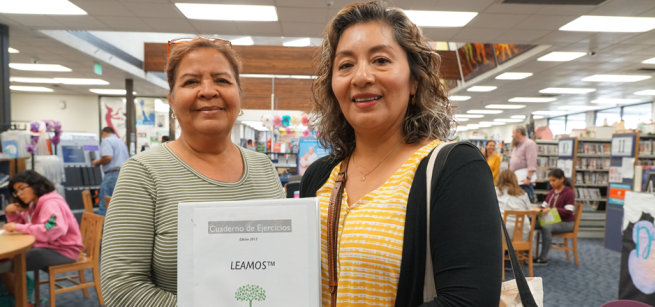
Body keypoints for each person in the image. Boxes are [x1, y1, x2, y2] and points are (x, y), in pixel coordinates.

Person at [300, 2, 501, 306]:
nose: (361, 77)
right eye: (345, 65)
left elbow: (470, 300)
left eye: (381, 60)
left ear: (414, 80)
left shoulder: (455, 169)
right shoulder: (319, 176)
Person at [100, 37, 285, 307]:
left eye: (222, 80)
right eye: (191, 82)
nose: (208, 91)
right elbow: (122, 289)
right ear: (172, 100)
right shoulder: (142, 173)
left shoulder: (264, 167)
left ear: (239, 95)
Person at [0, 171, 83, 299]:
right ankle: (19, 298)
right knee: (7, 260)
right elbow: (21, 226)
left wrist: (17, 226)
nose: (19, 194)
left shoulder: (50, 203)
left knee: (5, 265)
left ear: (35, 185)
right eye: (16, 191)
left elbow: (52, 228)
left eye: (22, 189)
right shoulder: (35, 204)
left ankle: (22, 302)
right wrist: (11, 213)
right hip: (48, 246)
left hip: (62, 250)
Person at [534, 169, 576, 266]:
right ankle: (525, 253)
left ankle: (543, 258)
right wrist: (540, 210)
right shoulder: (552, 191)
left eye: (554, 180)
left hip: (566, 223)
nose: (551, 183)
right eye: (550, 180)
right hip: (552, 220)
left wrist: (552, 209)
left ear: (561, 179)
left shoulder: (569, 192)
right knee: (530, 223)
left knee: (546, 228)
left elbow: (568, 212)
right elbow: (544, 205)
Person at [92, 127, 129, 216]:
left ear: (104, 133)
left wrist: (97, 162)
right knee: (119, 206)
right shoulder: (121, 143)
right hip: (124, 175)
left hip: (112, 175)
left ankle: (104, 229)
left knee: (105, 206)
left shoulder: (107, 141)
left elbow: (107, 157)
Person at [496, 169, 532, 242]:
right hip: (522, 234)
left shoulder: (495, 191)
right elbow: (530, 214)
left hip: (502, 234)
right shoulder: (523, 194)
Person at [509, 125, 538, 203]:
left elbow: (532, 162)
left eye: (513, 133)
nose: (512, 135)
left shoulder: (529, 144)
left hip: (524, 182)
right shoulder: (517, 145)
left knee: (526, 204)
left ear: (519, 132)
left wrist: (528, 178)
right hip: (516, 181)